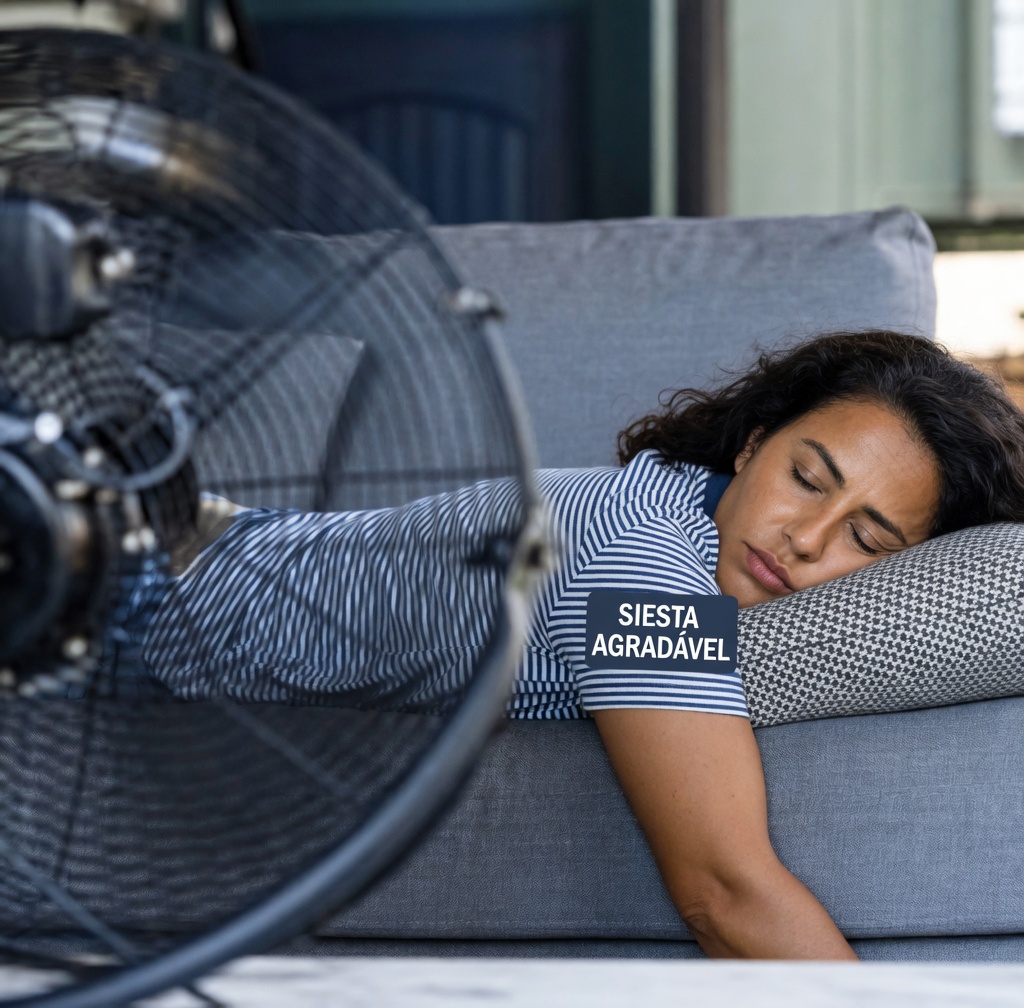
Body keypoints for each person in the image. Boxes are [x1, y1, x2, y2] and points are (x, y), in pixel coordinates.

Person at [144, 330, 1024, 959]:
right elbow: (724, 894)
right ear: (755, 444)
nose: (805, 538)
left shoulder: (683, 520)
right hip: (137, 595)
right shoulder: (635, 557)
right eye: (805, 477)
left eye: (867, 542)